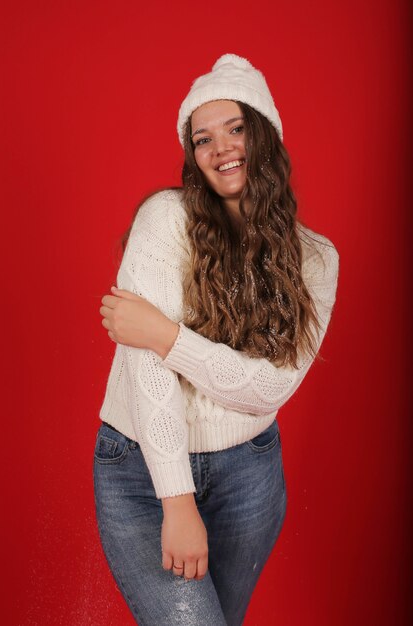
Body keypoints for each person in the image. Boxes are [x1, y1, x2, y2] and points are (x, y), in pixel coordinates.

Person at [94, 53, 339, 626]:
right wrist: (176, 500)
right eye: (202, 139)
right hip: (139, 470)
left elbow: (267, 388)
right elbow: (144, 369)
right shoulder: (165, 219)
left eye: (235, 128)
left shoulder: (317, 260)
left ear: (265, 134)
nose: (221, 148)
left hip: (249, 476)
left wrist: (166, 336)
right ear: (192, 156)